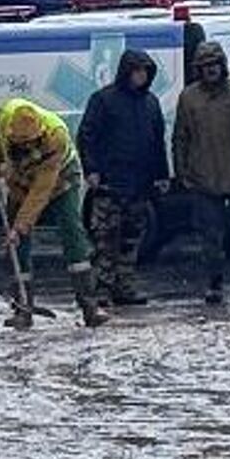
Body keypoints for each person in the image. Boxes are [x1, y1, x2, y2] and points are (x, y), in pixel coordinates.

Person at [0, 97, 106, 328]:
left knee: (72, 233)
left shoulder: (55, 137)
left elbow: (40, 191)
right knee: (17, 246)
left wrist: (19, 227)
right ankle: (23, 308)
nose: (25, 147)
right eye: (19, 144)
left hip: (61, 179)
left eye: (29, 143)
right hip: (21, 179)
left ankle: (90, 306)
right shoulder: (3, 116)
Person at [77, 48, 170, 307]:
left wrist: (161, 174)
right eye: (137, 71)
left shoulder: (151, 103)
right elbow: (87, 136)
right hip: (110, 183)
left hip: (139, 185)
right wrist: (91, 170)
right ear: (126, 72)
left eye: (145, 71)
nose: (141, 76)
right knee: (105, 240)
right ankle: (102, 289)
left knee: (131, 239)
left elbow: (157, 142)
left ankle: (124, 286)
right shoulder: (103, 100)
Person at [173, 39, 230, 305]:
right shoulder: (188, 97)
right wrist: (182, 171)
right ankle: (214, 283)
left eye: (214, 64)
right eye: (205, 65)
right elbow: (180, 137)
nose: (211, 69)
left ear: (223, 65)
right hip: (204, 178)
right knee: (211, 238)